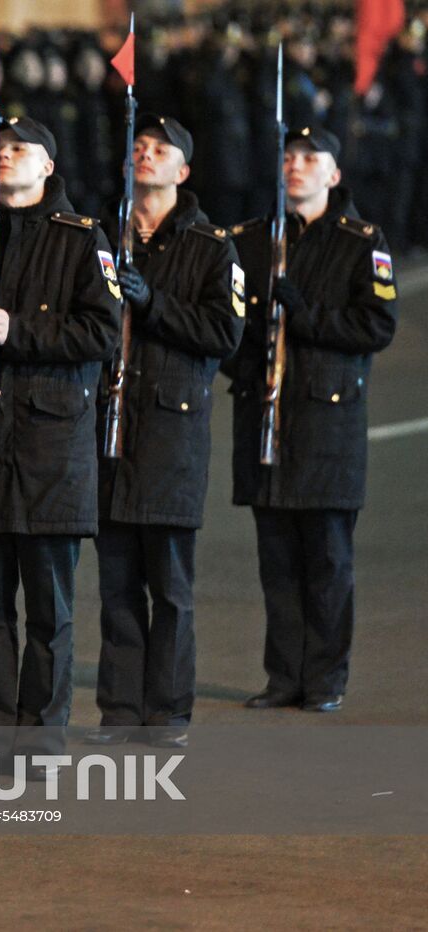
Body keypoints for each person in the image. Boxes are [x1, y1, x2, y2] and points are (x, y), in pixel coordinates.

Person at [0, 117, 120, 771]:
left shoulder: (82, 240)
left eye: (20, 149)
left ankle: (40, 742)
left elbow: (103, 334)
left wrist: (22, 334)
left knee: (49, 609)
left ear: (47, 166)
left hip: (51, 449)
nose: (5, 157)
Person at [84, 116, 244, 749]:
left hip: (172, 432)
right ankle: (120, 710)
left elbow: (223, 335)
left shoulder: (210, 248)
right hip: (108, 429)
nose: (144, 155)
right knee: (117, 582)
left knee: (170, 586)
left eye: (160, 151)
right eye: (138, 148)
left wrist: (153, 304)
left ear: (182, 172)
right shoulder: (100, 239)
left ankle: (168, 713)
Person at [227, 126, 397, 713]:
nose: (296, 167)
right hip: (265, 414)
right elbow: (232, 325)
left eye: (310, 159)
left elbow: (375, 327)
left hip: (328, 422)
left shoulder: (361, 242)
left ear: (334, 174)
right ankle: (284, 675)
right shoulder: (253, 239)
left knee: (326, 557)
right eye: (289, 158)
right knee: (276, 556)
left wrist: (305, 315)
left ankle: (325, 677)